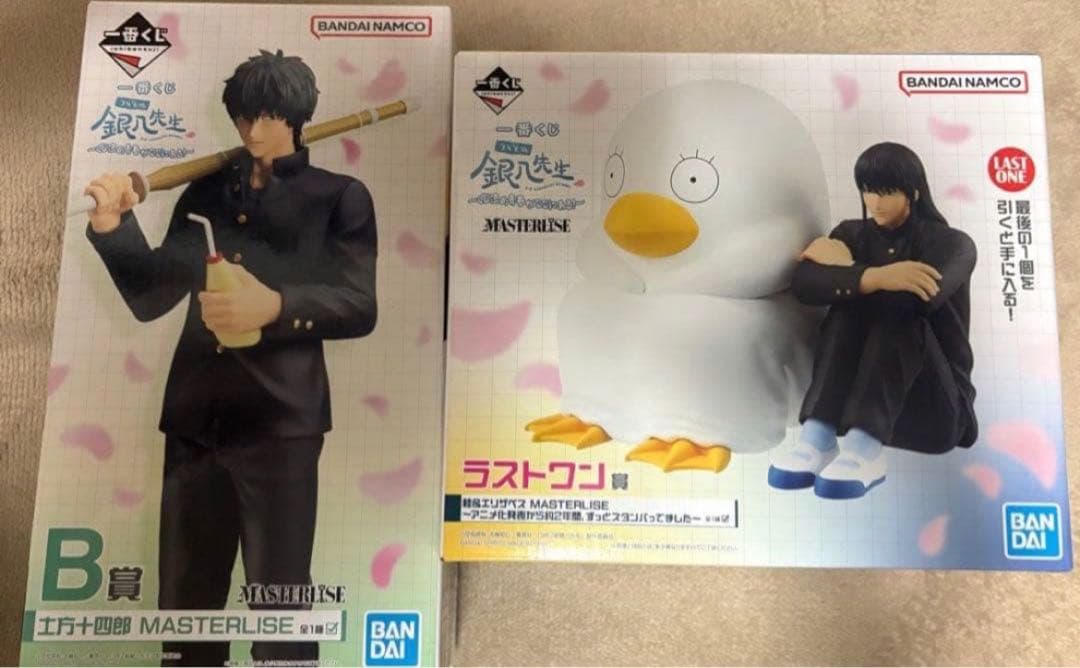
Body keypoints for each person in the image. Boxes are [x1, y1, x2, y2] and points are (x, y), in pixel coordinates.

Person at [83, 50, 377, 666]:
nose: (251, 130)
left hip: (282, 426)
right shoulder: (205, 193)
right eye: (243, 116)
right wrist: (113, 229)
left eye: (266, 116)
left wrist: (276, 306)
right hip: (194, 423)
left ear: (295, 117)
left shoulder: (339, 197)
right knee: (185, 604)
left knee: (280, 602)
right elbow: (151, 296)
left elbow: (359, 306)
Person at [768, 142, 977, 499]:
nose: (874, 203)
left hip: (931, 410)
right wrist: (876, 277)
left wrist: (848, 270)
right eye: (867, 191)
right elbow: (804, 285)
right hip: (847, 412)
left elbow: (916, 301)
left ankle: (864, 451)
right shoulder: (851, 234)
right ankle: (818, 437)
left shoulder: (952, 244)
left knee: (895, 310)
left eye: (886, 192)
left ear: (913, 191)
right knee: (848, 307)